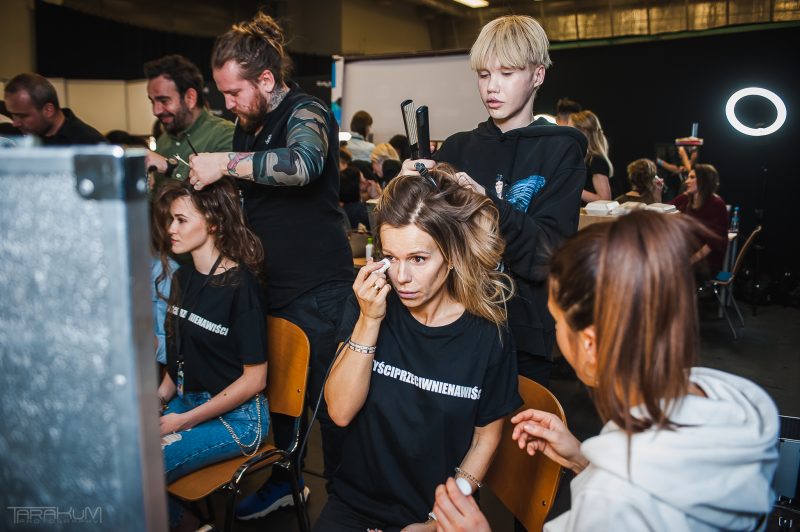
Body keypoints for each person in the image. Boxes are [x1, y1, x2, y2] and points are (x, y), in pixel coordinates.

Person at [431, 211, 779, 532]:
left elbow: (625, 503)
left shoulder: (610, 503)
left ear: (590, 344)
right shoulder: (730, 403)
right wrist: (583, 459)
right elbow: (662, 488)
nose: (557, 334)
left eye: (558, 322)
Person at [188, 10, 353, 520]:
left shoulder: (307, 111)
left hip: (319, 289)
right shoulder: (248, 126)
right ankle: (287, 482)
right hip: (273, 285)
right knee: (284, 400)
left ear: (265, 79)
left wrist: (225, 164)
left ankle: (347, 507)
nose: (228, 104)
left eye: (234, 93)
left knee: (333, 406)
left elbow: (303, 165)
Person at [316, 167, 522, 531]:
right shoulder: (368, 305)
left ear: (453, 255)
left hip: (439, 513)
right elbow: (340, 411)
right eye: (391, 258)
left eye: (418, 259)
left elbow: (485, 439)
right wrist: (369, 320)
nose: (401, 277)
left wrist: (437, 521)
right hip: (356, 506)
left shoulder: (489, 334)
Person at [408, 15, 587, 387]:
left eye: (507, 73)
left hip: (523, 337)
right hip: (453, 326)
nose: (492, 86)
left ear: (537, 75)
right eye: (484, 74)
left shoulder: (561, 150)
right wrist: (407, 190)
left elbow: (548, 255)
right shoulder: (457, 148)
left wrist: (486, 205)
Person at [151, 178, 270, 529]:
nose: (171, 229)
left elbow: (255, 380)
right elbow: (179, 361)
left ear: (214, 223)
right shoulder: (183, 279)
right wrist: (158, 399)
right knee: (121, 454)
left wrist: (182, 421)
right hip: (188, 402)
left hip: (239, 420)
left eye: (181, 220)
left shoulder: (241, 286)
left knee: (145, 470)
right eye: (170, 220)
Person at [143, 54, 235, 187]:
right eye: (152, 102)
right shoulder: (163, 141)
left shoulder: (225, 135)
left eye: (164, 101)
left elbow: (224, 192)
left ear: (190, 98)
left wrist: (169, 167)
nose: (155, 111)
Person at [3, 73, 106, 145]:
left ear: (48, 110)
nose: (15, 123)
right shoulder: (14, 138)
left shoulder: (90, 144)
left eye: (22, 116)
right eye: (13, 115)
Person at [669, 163, 729, 275]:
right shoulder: (688, 199)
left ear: (703, 181)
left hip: (705, 262)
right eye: (688, 177)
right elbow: (665, 209)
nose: (686, 181)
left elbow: (712, 244)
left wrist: (689, 262)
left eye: (692, 177)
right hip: (688, 255)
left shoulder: (716, 204)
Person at [568, 110, 613, 203]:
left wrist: (571, 188)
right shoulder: (583, 158)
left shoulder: (596, 160)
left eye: (570, 130)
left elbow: (605, 199)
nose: (567, 134)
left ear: (583, 132)